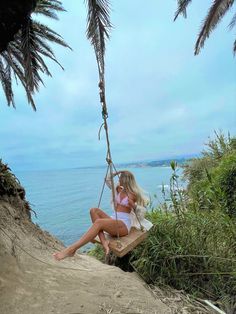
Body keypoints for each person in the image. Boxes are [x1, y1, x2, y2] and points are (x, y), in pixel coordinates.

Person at [53, 170, 152, 261]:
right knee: (93, 210)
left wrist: (133, 206)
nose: (119, 179)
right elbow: (108, 179)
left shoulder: (133, 194)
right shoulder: (119, 189)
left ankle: (72, 249)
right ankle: (104, 241)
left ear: (125, 180)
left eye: (121, 177)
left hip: (123, 225)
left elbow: (141, 213)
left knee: (99, 222)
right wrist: (119, 172)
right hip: (114, 220)